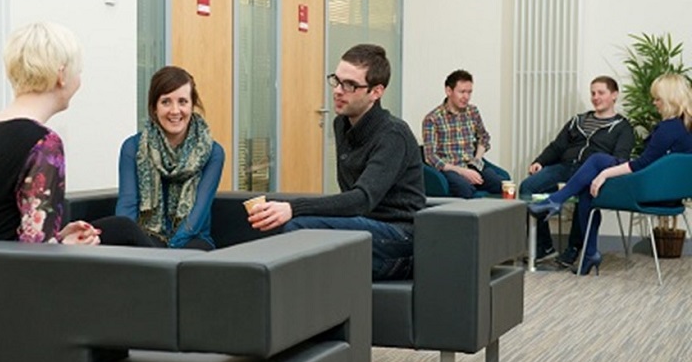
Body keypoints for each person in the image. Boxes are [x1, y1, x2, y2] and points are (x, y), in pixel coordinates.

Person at [0, 22, 151, 246]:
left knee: (119, 228)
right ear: (62, 75)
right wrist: (67, 247)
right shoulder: (44, 144)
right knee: (125, 233)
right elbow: (39, 259)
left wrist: (62, 238)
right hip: (7, 277)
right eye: (78, 72)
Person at [246, 44, 426, 281]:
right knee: (277, 228)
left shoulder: (393, 135)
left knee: (299, 229)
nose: (339, 91)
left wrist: (293, 208)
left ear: (376, 92)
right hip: (363, 227)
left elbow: (361, 199)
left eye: (350, 85)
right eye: (337, 81)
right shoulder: (342, 124)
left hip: (399, 239)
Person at [528, 73, 692, 275]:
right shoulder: (686, 126)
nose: (654, 102)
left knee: (597, 162)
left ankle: (558, 204)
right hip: (670, 194)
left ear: (669, 99)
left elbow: (640, 164)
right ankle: (587, 253)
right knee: (590, 185)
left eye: (657, 98)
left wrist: (603, 174)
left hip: (648, 192)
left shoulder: (666, 128)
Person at [520, 76, 634, 267]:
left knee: (584, 193)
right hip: (565, 167)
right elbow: (557, 147)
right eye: (593, 93)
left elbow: (619, 159)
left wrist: (601, 175)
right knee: (528, 187)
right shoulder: (577, 121)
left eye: (601, 93)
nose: (595, 97)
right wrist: (540, 161)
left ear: (614, 95)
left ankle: (573, 248)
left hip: (592, 172)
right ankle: (544, 246)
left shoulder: (623, 127)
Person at [116, 66, 224, 250]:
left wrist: (168, 252)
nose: (175, 111)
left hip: (193, 240)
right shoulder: (132, 148)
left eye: (182, 101)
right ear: (154, 108)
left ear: (192, 105)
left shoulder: (213, 152)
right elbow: (127, 207)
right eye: (166, 102)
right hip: (147, 237)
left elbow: (198, 214)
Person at [422, 69, 503, 198]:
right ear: (449, 91)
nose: (466, 97)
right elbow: (430, 157)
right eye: (462, 92)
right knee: (464, 188)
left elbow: (484, 137)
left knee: (500, 184)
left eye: (469, 92)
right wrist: (462, 171)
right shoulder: (432, 119)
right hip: (451, 169)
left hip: (472, 165)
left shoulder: (472, 111)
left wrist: (477, 159)